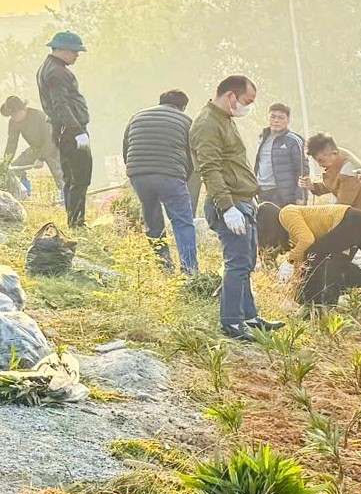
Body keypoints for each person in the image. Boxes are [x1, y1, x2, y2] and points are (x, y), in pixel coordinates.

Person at [191, 74, 281, 341]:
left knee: (247, 261)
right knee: (237, 263)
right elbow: (210, 169)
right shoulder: (207, 124)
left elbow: (234, 164)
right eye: (247, 101)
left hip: (243, 200)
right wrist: (227, 207)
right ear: (231, 96)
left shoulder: (224, 120)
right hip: (228, 203)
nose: (248, 107)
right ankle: (231, 321)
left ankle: (249, 316)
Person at [261, 201, 361, 326]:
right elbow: (304, 259)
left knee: (315, 253)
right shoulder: (290, 229)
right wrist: (294, 285)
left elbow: (307, 240)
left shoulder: (286, 213)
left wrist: (289, 262)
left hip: (351, 221)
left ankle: (312, 309)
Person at [120, 89, 198, 275]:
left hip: (138, 174)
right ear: (183, 106)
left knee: (152, 220)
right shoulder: (185, 121)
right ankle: (190, 272)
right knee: (182, 222)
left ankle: (164, 266)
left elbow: (126, 148)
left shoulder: (137, 117)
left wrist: (135, 172)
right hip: (170, 175)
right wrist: (183, 177)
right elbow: (191, 156)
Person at [35, 31, 91, 227]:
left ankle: (74, 220)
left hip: (61, 131)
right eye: (75, 51)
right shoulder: (58, 72)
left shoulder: (47, 69)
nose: (77, 55)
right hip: (70, 131)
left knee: (70, 177)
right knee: (81, 176)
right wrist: (78, 132)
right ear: (63, 50)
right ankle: (77, 222)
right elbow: (61, 105)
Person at [304, 132, 361, 236]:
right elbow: (335, 183)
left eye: (321, 160)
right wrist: (314, 186)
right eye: (317, 161)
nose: (320, 165)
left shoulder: (349, 170)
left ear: (334, 153)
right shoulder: (337, 156)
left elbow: (342, 205)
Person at [0, 95, 58, 196]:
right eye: (11, 115)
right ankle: (25, 194)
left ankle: (66, 202)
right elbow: (12, 142)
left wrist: (41, 159)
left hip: (53, 147)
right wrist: (6, 162)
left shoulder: (40, 116)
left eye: (15, 114)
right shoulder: (13, 122)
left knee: (61, 176)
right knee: (15, 168)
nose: (14, 117)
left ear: (23, 109)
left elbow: (50, 138)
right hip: (35, 148)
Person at [254, 103, 307, 208]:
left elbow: (302, 170)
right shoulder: (262, 138)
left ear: (288, 120)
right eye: (273, 117)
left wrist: (301, 195)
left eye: (281, 118)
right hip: (263, 192)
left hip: (283, 194)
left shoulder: (294, 140)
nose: (276, 121)